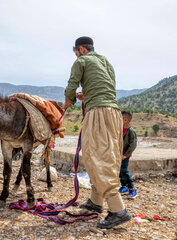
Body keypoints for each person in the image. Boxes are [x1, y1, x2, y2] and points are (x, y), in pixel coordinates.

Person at [63, 36, 131, 229]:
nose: (76, 56)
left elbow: (71, 85)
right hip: (113, 113)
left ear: (81, 50)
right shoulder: (105, 62)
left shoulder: (82, 61)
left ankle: (119, 211)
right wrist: (87, 94)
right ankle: (96, 200)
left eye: (76, 52)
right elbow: (106, 88)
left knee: (98, 158)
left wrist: (69, 100)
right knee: (106, 156)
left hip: (98, 113)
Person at [119, 109, 137, 198]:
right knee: (119, 171)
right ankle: (124, 186)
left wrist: (126, 154)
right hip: (119, 155)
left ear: (125, 120)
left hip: (125, 156)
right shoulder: (120, 130)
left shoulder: (131, 131)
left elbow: (133, 144)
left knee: (124, 171)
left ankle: (131, 188)